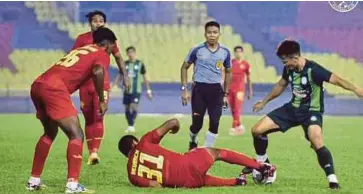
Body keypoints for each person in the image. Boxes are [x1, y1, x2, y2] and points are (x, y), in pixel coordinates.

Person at [243, 40, 363, 189]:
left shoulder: (314, 70)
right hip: (292, 109)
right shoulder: (289, 69)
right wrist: (264, 102)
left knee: (316, 139)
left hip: (312, 111)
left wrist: (356, 89)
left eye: (286, 61)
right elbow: (281, 84)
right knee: (257, 130)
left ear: (295, 57)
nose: (285, 64)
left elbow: (337, 80)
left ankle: (332, 179)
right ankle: (262, 163)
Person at [26, 27, 117, 193]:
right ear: (110, 44)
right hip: (54, 88)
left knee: (49, 133)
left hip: (38, 84)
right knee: (76, 135)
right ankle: (72, 185)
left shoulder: (82, 49)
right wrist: (102, 100)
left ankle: (33, 181)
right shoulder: (101, 53)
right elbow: (98, 71)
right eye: (113, 46)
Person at [118, 118, 276, 188]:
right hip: (189, 163)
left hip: (184, 183)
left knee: (203, 180)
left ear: (126, 154)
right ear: (134, 143)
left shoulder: (131, 175)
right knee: (217, 153)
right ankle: (261, 167)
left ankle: (237, 182)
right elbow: (173, 122)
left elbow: (154, 185)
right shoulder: (144, 142)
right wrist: (175, 129)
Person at [72, 10, 129, 165]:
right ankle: (91, 152)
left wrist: (125, 76)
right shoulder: (82, 39)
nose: (98, 23)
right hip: (84, 85)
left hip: (101, 83)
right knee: (89, 118)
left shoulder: (109, 40)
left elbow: (118, 57)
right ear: (90, 23)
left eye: (101, 20)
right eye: (95, 20)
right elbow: (73, 59)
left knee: (99, 115)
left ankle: (94, 152)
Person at [180, 21, 232, 150]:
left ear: (219, 34)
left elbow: (229, 71)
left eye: (215, 32)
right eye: (209, 32)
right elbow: (184, 67)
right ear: (205, 34)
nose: (212, 35)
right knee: (197, 124)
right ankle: (193, 139)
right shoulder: (197, 49)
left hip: (216, 91)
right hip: (199, 90)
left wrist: (225, 94)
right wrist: (184, 90)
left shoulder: (225, 52)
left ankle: (207, 152)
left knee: (215, 122)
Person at [113, 46, 152, 133]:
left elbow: (145, 77)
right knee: (127, 108)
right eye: (129, 53)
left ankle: (131, 125)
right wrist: (114, 85)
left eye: (132, 53)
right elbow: (120, 75)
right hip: (126, 90)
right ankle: (130, 125)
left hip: (136, 90)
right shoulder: (125, 64)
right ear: (127, 54)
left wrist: (148, 90)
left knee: (133, 106)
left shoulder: (140, 64)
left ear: (135, 53)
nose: (131, 55)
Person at [228, 46, 253, 136]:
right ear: (234, 53)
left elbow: (249, 78)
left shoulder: (246, 64)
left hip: (240, 90)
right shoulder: (231, 63)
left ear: (242, 53)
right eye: (236, 52)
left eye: (240, 52)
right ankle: (239, 125)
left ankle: (234, 127)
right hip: (230, 89)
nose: (238, 53)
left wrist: (250, 91)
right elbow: (226, 75)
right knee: (232, 109)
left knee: (237, 108)